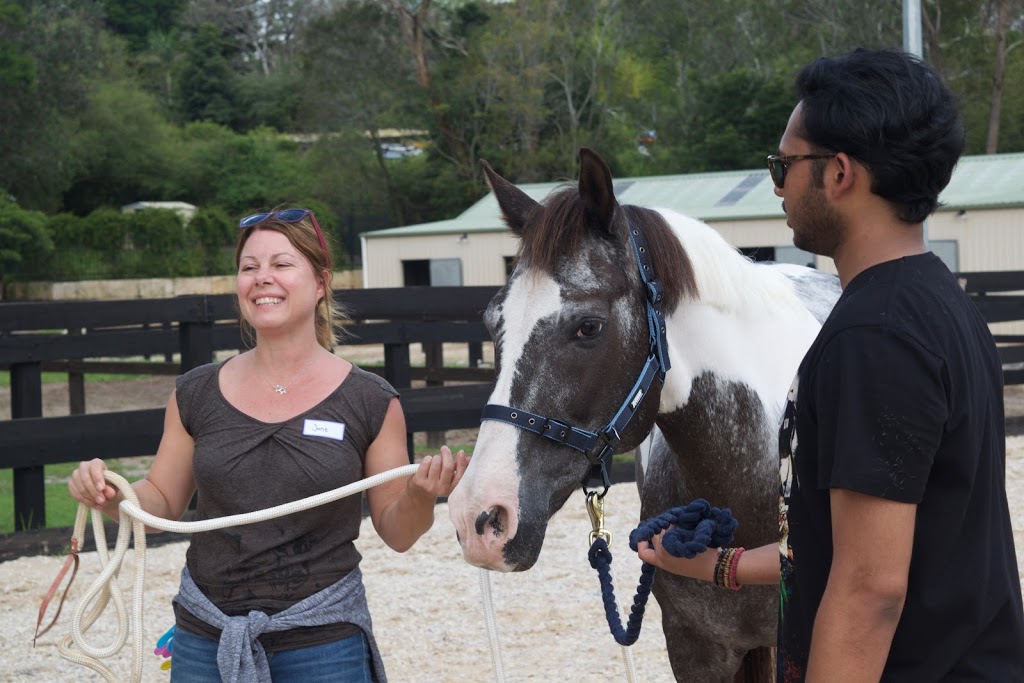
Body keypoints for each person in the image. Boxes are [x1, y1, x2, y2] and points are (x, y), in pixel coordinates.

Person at [639, 47, 1024, 682]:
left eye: (784, 164)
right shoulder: (939, 305)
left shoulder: (874, 337)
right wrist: (716, 565)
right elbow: (845, 543)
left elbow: (870, 589)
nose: (777, 183)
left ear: (839, 173)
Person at [69, 207, 469, 683]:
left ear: (320, 282)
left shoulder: (371, 400)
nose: (263, 278)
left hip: (324, 642)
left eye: (281, 264)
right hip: (205, 635)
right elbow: (161, 501)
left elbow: (398, 533)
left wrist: (422, 495)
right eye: (249, 267)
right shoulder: (195, 393)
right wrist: (114, 495)